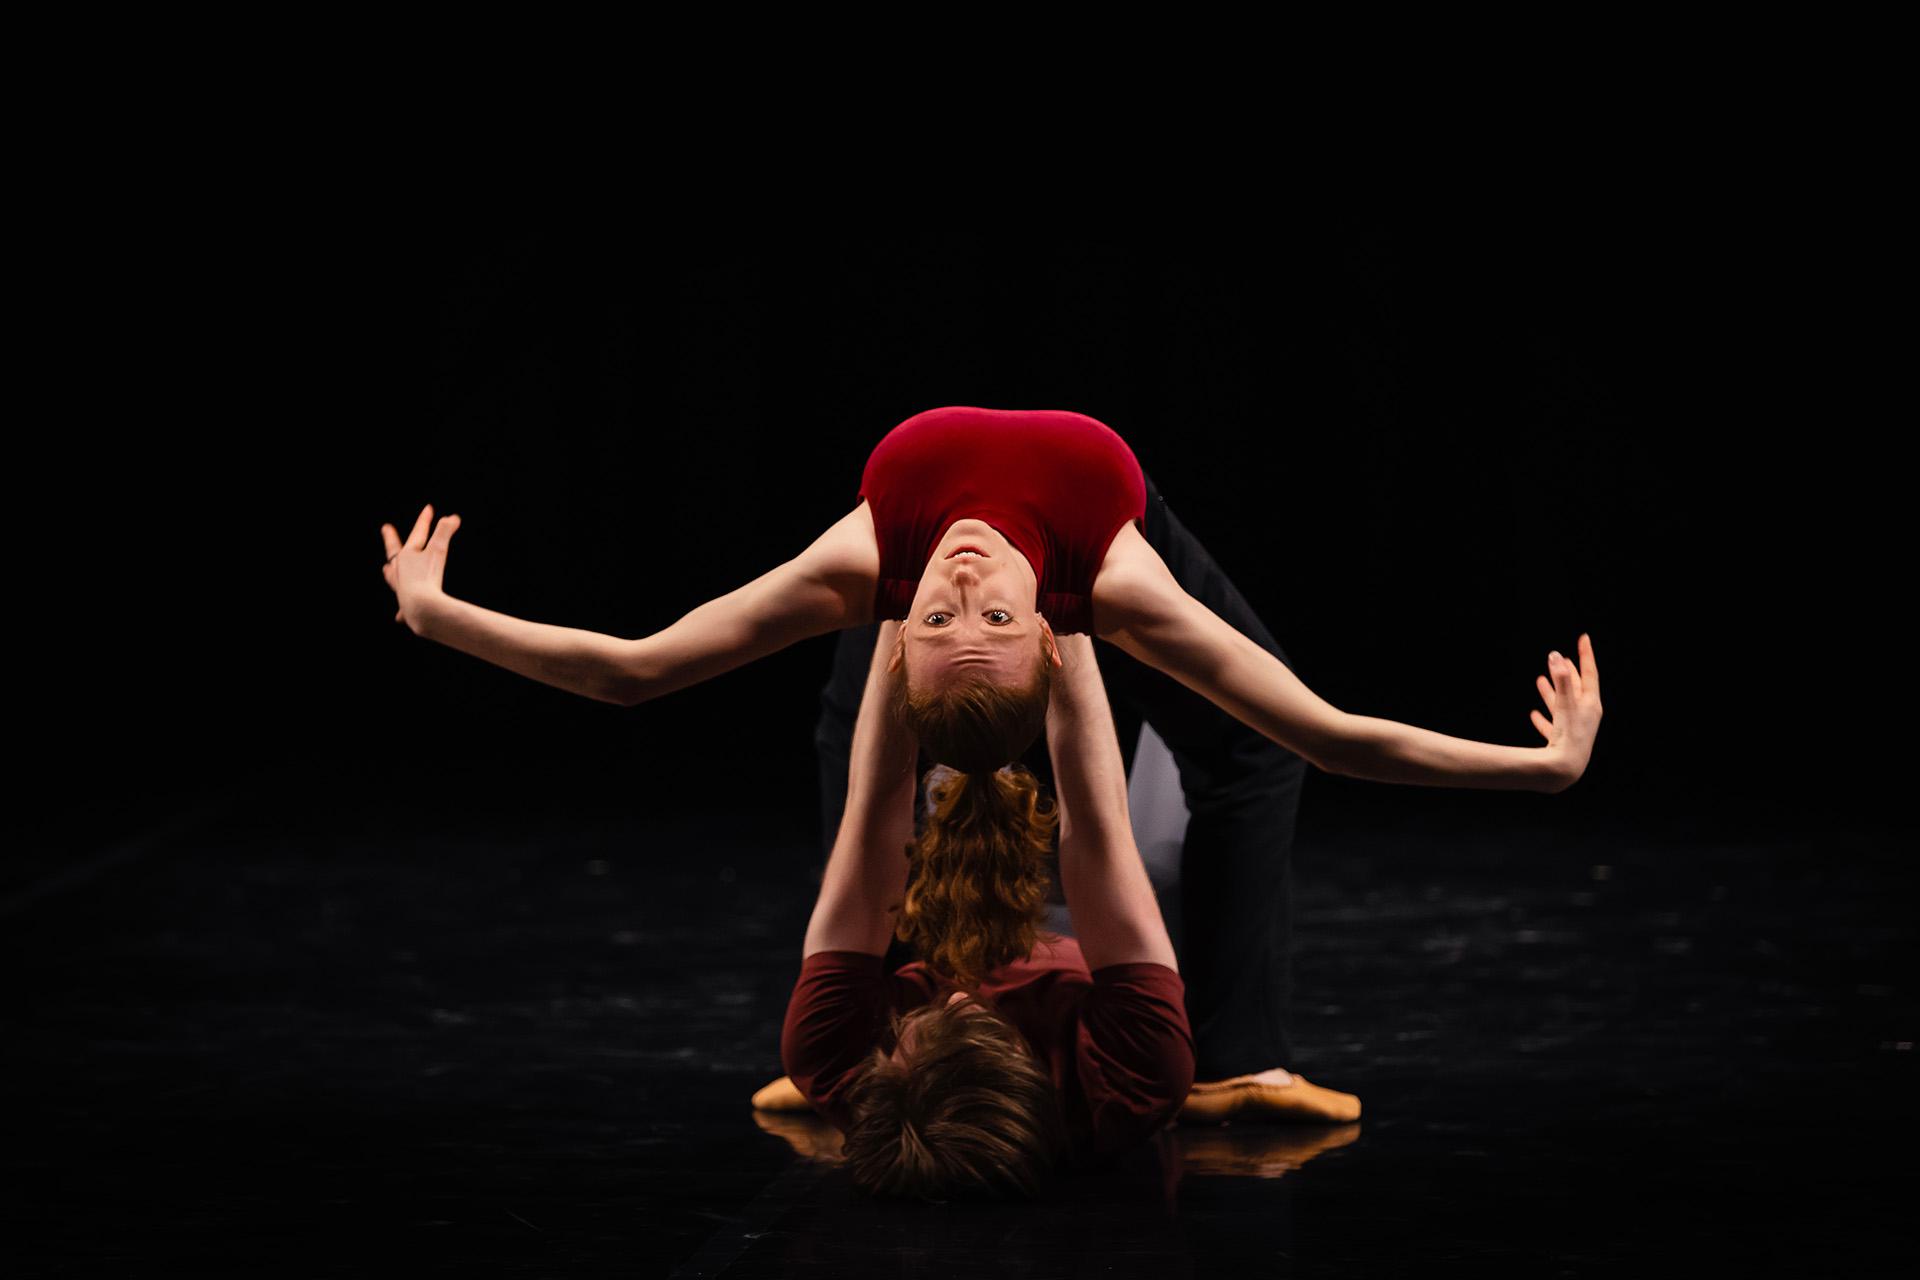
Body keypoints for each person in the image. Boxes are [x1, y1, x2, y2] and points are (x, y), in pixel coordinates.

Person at [380, 405, 1603, 1111]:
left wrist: (439, 616)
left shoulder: (899, 564)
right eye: (964, 614)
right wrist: (1533, 768)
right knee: (863, 769)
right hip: (1091, 548)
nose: (963, 583)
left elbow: (636, 666)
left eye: (966, 614)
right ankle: (899, 1038)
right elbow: (1335, 732)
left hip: (1052, 576)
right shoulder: (1088, 586)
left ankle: (1238, 1061)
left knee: (1239, 756)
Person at [781, 619, 1196, 1197]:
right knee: (1181, 809)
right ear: (1025, 1062)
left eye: (923, 1023)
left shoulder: (837, 1058)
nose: (958, 991)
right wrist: (1065, 615)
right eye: (977, 1017)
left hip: (923, 935)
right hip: (1085, 946)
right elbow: (1096, 824)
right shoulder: (1131, 1081)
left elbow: (876, 814)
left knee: (858, 738)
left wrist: (906, 609)